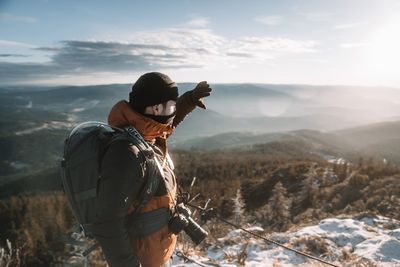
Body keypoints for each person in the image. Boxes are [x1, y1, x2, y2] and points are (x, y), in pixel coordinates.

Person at [91, 72, 212, 267]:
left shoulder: (144, 136)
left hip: (156, 252)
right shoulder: (126, 155)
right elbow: (108, 223)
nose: (173, 111)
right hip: (143, 260)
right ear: (155, 108)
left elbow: (163, 125)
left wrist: (188, 100)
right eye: (171, 105)